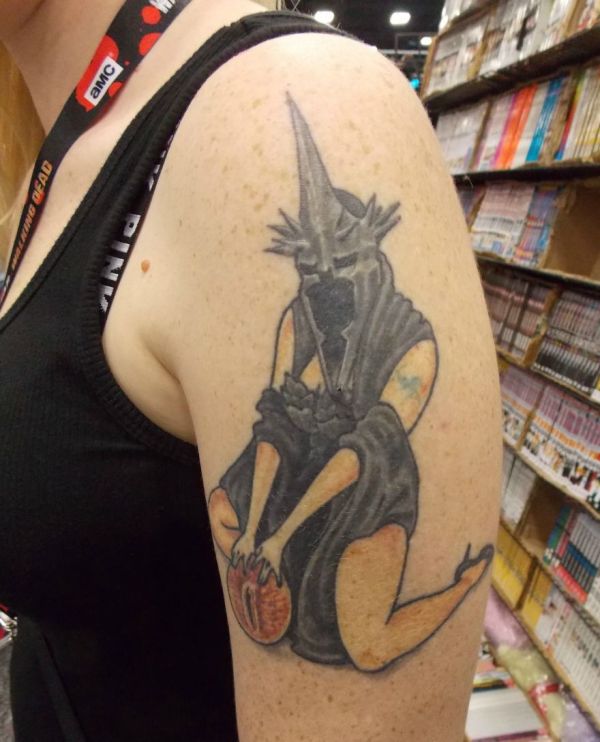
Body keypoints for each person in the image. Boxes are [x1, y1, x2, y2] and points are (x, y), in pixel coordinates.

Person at [0, 0, 502, 740]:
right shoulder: (55, 149)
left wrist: (276, 536)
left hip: (365, 491)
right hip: (297, 470)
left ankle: (455, 589)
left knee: (368, 641)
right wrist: (256, 531)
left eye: (341, 267)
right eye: (313, 269)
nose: (325, 285)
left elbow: (360, 457)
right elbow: (273, 426)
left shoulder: (277, 112)